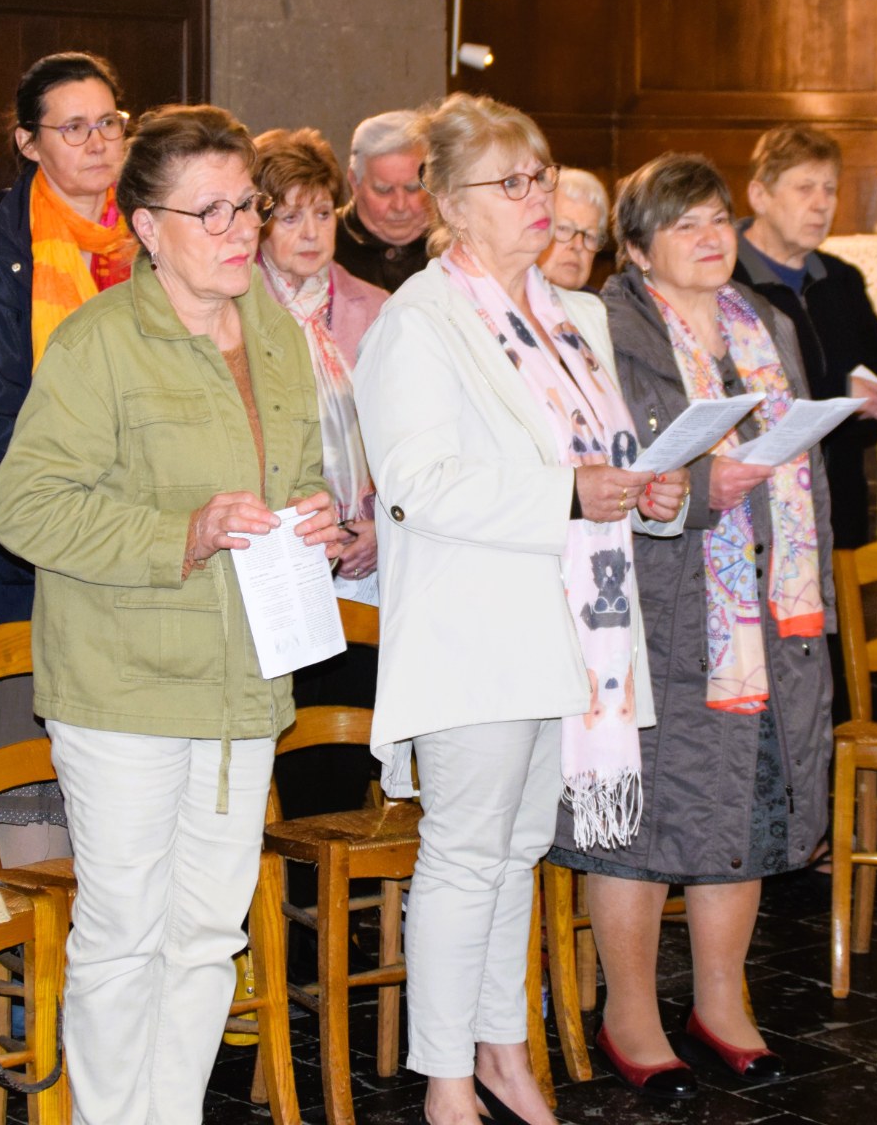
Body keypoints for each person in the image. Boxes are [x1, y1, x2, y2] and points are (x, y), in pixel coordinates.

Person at [0, 104, 346, 1125]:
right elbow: (26, 507)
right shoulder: (99, 342)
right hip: (124, 684)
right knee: (125, 929)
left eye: (249, 204)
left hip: (244, 680)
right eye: (214, 211)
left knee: (208, 934)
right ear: (147, 226)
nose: (243, 229)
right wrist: (180, 532)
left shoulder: (275, 330)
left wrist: (317, 510)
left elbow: (298, 467)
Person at [354, 93, 687, 1125]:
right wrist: (569, 494)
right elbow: (417, 481)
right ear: (451, 203)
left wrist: (651, 492)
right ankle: (445, 1080)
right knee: (463, 854)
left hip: (573, 629)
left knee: (514, 854)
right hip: (473, 629)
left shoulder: (575, 314)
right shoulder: (419, 319)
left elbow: (603, 464)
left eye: (542, 174)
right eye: (513, 181)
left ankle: (501, 1051)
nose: (537, 196)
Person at [548, 151, 836, 1095]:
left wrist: (809, 591)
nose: (713, 238)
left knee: (745, 810)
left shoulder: (771, 323)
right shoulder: (608, 326)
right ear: (634, 246)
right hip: (655, 608)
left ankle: (722, 1003)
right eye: (687, 225)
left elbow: (808, 482)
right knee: (646, 819)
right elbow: (611, 466)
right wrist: (715, 484)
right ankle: (628, 1012)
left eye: (718, 219)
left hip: (764, 611)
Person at [0, 50, 131, 862]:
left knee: (130, 830)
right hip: (36, 564)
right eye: (73, 127)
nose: (97, 143)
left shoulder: (165, 233)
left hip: (152, 566)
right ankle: (35, 992)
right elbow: (1, 424)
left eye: (108, 123)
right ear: (27, 142)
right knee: (36, 832)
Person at [251, 125, 388, 818]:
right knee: (283, 746)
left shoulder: (377, 310)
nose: (310, 232)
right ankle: (291, 912)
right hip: (279, 556)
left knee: (349, 737)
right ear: (259, 223)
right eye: (289, 215)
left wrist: (376, 527)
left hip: (365, 559)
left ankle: (335, 912)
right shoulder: (238, 310)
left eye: (322, 213)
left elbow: (403, 443)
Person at [735, 123, 877, 551]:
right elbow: (742, 385)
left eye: (830, 189)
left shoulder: (842, 279)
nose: (821, 204)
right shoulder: (726, 278)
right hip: (757, 504)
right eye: (804, 187)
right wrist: (842, 394)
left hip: (838, 496)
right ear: (760, 196)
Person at [334, 109, 432, 292]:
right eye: (384, 190)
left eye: (413, 188)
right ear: (354, 182)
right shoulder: (324, 244)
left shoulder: (456, 243)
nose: (400, 206)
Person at [537, 166, 610, 293]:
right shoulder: (502, 304)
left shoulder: (604, 310)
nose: (578, 246)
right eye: (563, 228)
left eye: (589, 236)